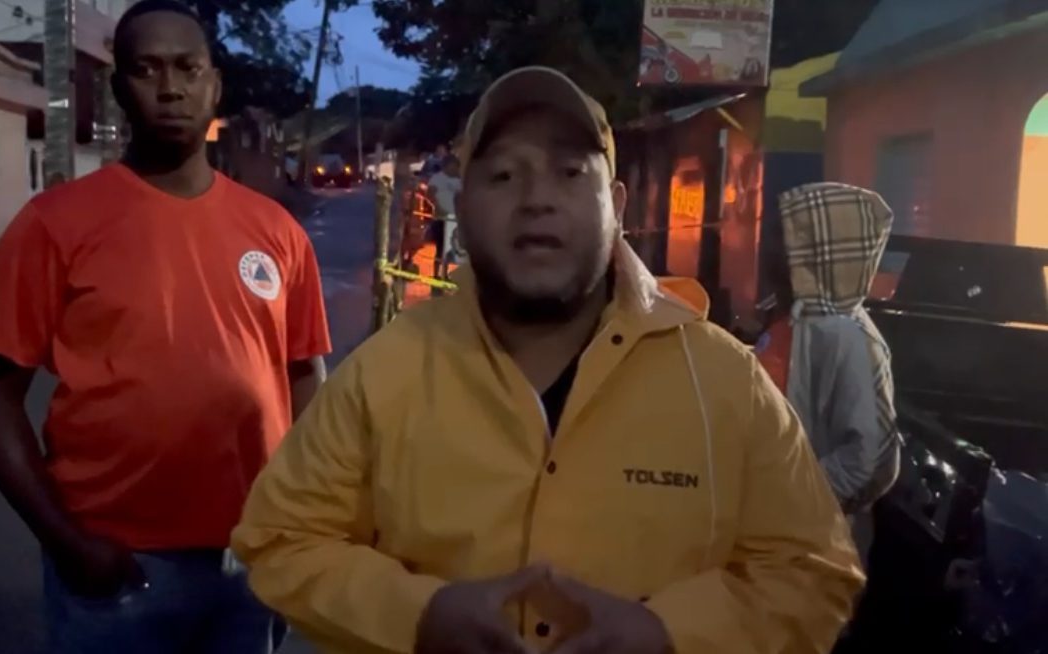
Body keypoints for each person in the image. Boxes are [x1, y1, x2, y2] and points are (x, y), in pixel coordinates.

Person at [232, 66, 864, 654]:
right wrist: (419, 614)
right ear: (463, 207)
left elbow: (813, 571)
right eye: (504, 175)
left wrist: (669, 633)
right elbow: (281, 538)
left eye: (569, 172)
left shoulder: (724, 382)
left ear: (617, 204)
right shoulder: (382, 374)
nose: (536, 198)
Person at [0, 1, 331, 652]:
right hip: (116, 567)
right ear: (118, 87)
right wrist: (66, 542)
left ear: (214, 83)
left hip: (255, 557)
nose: (170, 87)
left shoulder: (277, 232)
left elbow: (304, 377)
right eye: (147, 68)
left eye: (188, 67)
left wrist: (309, 518)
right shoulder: (54, 225)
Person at [755, 182, 901, 560]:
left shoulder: (842, 335)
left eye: (787, 237)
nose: (769, 250)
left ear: (821, 250)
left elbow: (868, 459)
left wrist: (791, 500)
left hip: (810, 546)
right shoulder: (797, 318)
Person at [426, 155, 463, 271]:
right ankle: (436, 272)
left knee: (450, 247)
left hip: (453, 219)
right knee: (440, 246)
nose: (456, 168)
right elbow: (430, 194)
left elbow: (460, 198)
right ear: (447, 165)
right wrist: (437, 207)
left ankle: (445, 272)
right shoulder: (437, 178)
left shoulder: (458, 181)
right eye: (454, 165)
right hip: (440, 218)